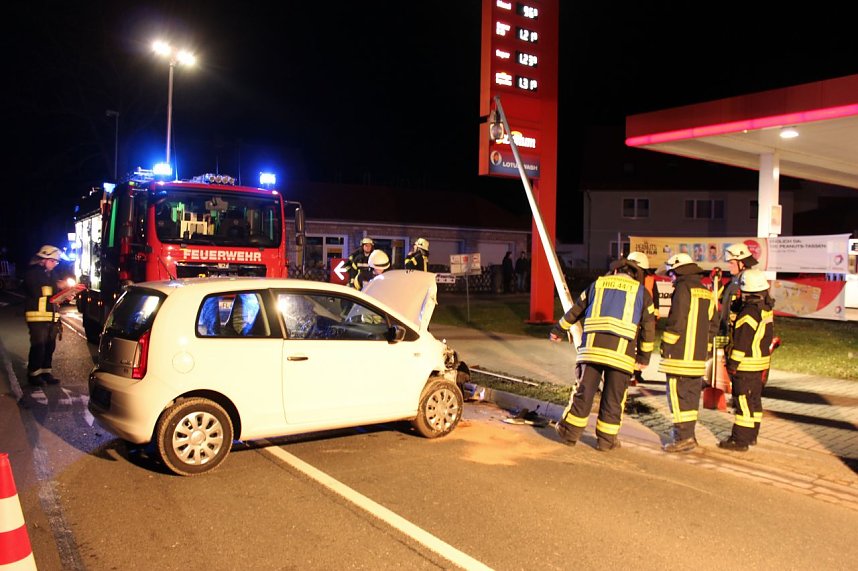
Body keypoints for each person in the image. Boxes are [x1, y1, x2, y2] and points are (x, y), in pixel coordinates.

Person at [549, 257, 657, 451]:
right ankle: (606, 441)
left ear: (615, 271)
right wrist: (643, 358)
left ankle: (569, 433)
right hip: (621, 356)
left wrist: (558, 330)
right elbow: (649, 328)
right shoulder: (642, 293)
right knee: (614, 398)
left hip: (592, 351)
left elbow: (576, 310)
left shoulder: (598, 284)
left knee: (584, 391)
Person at [657, 253, 719, 453]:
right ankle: (690, 435)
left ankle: (682, 438)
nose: (671, 279)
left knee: (676, 394)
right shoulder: (706, 291)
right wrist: (705, 348)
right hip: (697, 357)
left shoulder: (683, 289)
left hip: (679, 354)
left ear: (678, 271)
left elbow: (677, 322)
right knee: (691, 396)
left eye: (671, 274)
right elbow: (714, 324)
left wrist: (666, 346)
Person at [719, 269, 775, 452]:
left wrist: (733, 364)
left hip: (746, 364)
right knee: (754, 401)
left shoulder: (749, 313)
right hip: (759, 363)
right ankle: (751, 436)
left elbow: (742, 341)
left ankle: (739, 440)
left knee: (742, 400)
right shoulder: (764, 308)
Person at [23, 245, 65, 386]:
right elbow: (38, 291)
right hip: (37, 317)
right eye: (53, 261)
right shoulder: (33, 273)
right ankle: (34, 375)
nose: (55, 264)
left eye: (56, 262)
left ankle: (46, 373)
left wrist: (65, 294)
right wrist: (58, 288)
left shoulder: (52, 274)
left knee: (49, 347)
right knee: (38, 346)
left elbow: (52, 293)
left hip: (51, 317)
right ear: (44, 259)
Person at [626, 252, 658, 385]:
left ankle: (637, 373)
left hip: (644, 315)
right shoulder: (625, 280)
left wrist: (655, 312)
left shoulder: (650, 279)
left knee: (642, 343)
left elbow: (654, 295)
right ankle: (629, 373)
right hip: (630, 316)